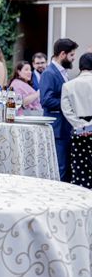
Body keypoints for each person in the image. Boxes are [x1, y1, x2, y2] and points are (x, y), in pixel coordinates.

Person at [41, 38, 78, 182]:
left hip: (65, 127)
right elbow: (46, 100)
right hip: (57, 129)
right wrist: (69, 104)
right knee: (60, 169)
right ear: (63, 54)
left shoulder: (63, 72)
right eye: (72, 55)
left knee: (66, 168)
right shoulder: (49, 73)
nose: (73, 58)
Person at [61, 52, 92, 188]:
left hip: (79, 131)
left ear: (80, 67)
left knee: (79, 167)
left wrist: (81, 126)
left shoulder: (68, 85)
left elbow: (66, 110)